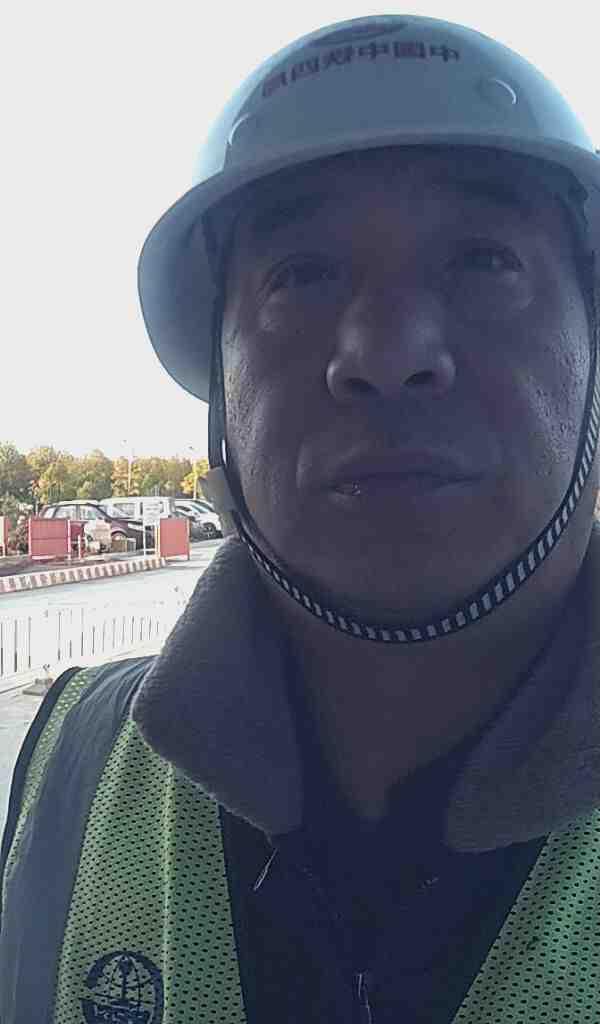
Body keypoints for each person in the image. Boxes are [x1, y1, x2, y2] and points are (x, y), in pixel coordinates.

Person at [2, 13, 600, 1023]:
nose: (385, 351)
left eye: (483, 259)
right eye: (301, 275)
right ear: (220, 390)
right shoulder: (73, 769)